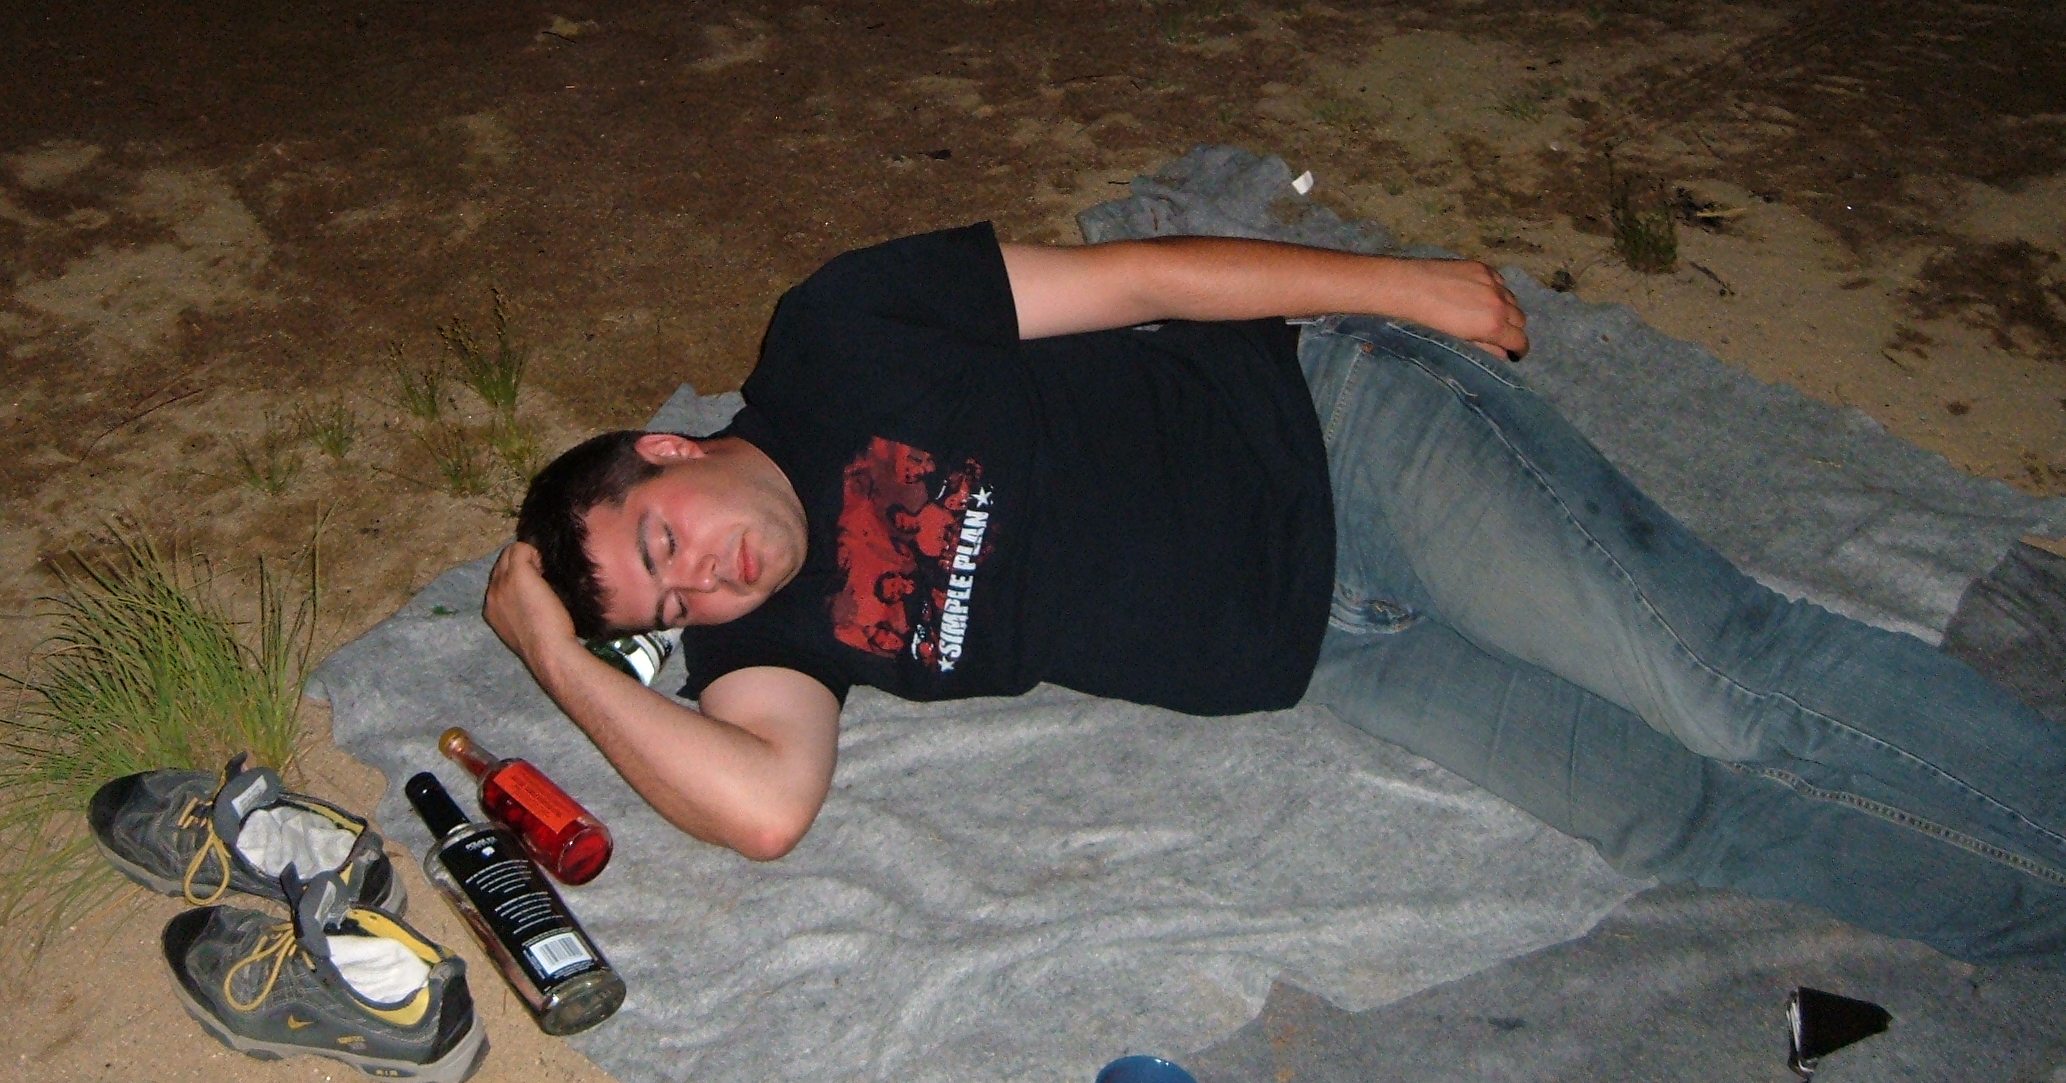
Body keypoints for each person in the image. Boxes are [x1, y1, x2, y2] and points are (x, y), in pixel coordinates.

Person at [483, 224, 2066, 964]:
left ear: (667, 448)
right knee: (1673, 817)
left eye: (666, 540)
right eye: (668, 610)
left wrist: (1401, 287)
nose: (706, 580)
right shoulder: (767, 637)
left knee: (1721, 684)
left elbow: (1139, 277)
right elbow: (765, 811)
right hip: (1335, 649)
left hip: (1347, 440)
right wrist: (559, 653)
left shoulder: (837, 335)